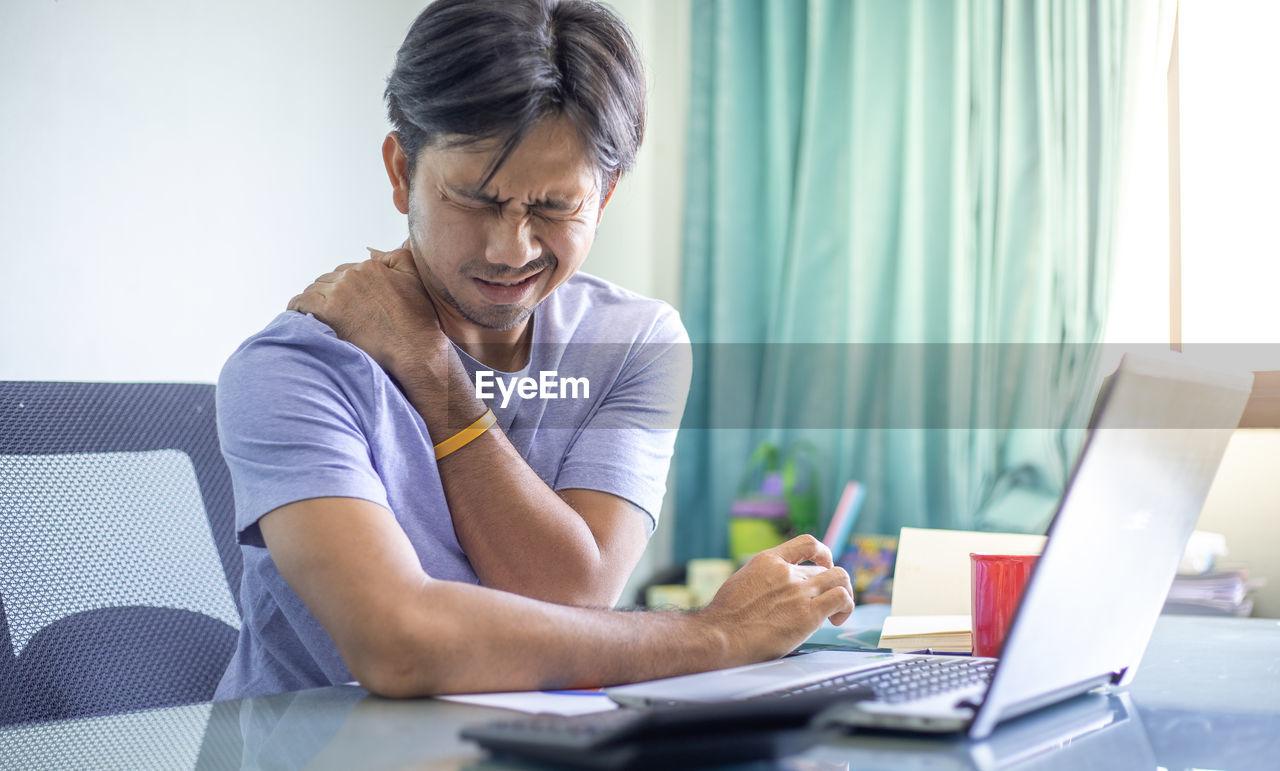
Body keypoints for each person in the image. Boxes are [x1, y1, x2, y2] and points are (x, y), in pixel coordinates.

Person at [214, 0, 853, 701]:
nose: (509, 249)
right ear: (402, 172)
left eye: (553, 208)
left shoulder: (635, 342)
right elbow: (397, 644)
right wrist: (719, 634)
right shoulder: (292, 368)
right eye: (475, 199)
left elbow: (572, 595)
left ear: (604, 197)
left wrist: (434, 379)